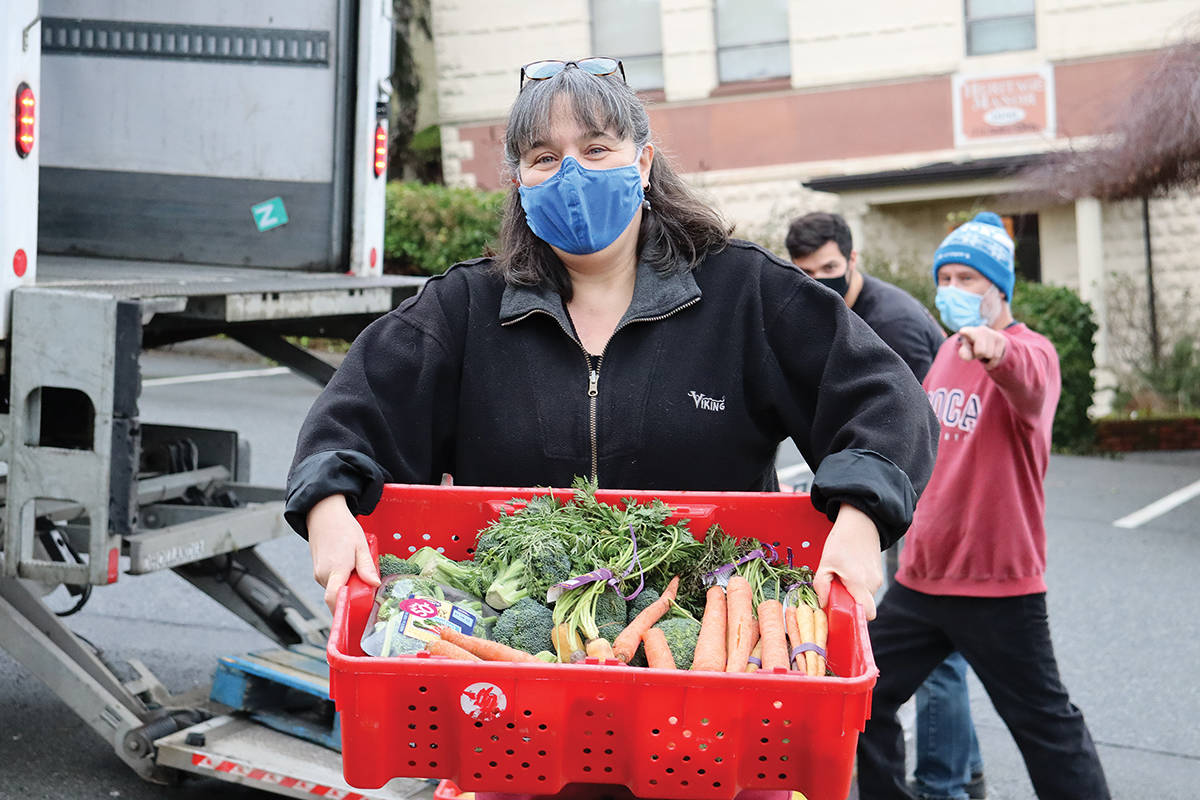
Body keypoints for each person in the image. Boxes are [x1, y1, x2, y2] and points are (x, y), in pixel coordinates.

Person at [284, 57, 939, 626]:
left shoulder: (746, 293)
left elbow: (884, 399)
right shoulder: (462, 309)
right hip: (519, 659)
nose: (571, 172)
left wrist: (859, 520)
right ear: (518, 181)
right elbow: (353, 414)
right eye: (544, 157)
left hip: (711, 643)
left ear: (643, 161)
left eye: (596, 149)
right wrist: (328, 509)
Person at [855, 213, 1111, 800]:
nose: (953, 291)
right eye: (945, 278)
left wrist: (998, 350)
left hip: (998, 585)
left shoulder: (1030, 351)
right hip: (922, 582)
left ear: (1000, 289)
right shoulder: (946, 353)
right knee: (863, 698)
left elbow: (1032, 383)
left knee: (1047, 728)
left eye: (968, 278)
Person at [787, 213, 984, 799]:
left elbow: (917, 435)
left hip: (919, 501)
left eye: (828, 270)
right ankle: (963, 773)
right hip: (891, 498)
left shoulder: (889, 323)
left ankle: (941, 784)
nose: (817, 282)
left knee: (931, 651)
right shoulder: (826, 314)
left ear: (853, 261)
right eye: (804, 273)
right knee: (934, 647)